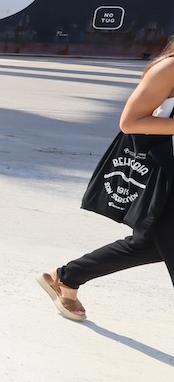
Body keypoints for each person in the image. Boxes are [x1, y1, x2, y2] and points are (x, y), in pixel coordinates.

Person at [40, 39, 174, 321]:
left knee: (149, 244)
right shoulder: (169, 68)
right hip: (168, 179)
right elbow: (131, 122)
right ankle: (67, 278)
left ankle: (67, 277)